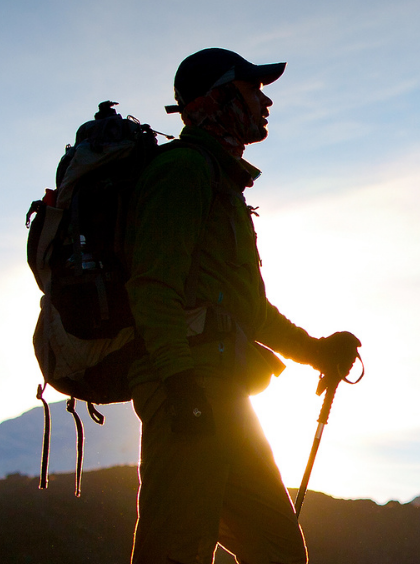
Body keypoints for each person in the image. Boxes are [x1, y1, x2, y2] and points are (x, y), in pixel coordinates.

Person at [125, 47, 361, 564]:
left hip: (220, 392)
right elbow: (151, 286)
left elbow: (250, 311)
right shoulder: (183, 171)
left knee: (277, 551)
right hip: (189, 388)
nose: (265, 99)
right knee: (176, 551)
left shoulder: (220, 184)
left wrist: (317, 352)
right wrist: (180, 384)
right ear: (215, 99)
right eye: (252, 88)